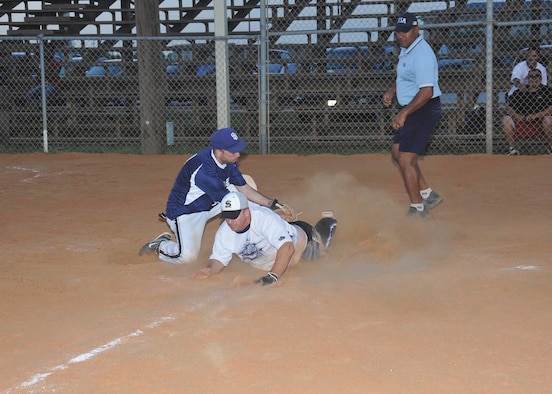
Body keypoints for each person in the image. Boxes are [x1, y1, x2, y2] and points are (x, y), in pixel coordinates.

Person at [139, 127, 285, 264]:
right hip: (187, 212)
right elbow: (232, 202)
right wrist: (272, 216)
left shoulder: (227, 160)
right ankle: (160, 245)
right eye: (233, 151)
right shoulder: (205, 172)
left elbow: (244, 188)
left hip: (211, 202)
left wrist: (272, 205)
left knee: (247, 183)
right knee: (187, 258)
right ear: (219, 151)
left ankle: (245, 240)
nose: (238, 155)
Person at [192, 191, 338, 285]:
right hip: (271, 259)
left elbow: (287, 248)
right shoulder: (225, 232)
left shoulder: (263, 218)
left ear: (247, 212)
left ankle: (326, 222)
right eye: (227, 217)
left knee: (323, 251)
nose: (230, 222)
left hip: (301, 246)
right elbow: (218, 259)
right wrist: (209, 270)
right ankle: (283, 221)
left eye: (234, 217)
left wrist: (272, 277)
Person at [382, 12, 443, 218]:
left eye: (405, 31)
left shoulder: (422, 55)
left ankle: (418, 209)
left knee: (406, 160)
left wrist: (403, 114)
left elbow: (426, 92)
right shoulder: (407, 49)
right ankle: (428, 194)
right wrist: (393, 91)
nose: (401, 35)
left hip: (423, 108)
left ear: (417, 30)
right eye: (398, 31)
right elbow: (407, 77)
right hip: (412, 106)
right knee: (397, 154)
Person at [502, 68, 552, 155]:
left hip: (540, 122)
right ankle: (513, 149)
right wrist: (519, 117)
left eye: (537, 76)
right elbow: (510, 110)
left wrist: (535, 116)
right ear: (527, 79)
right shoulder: (519, 92)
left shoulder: (547, 91)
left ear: (541, 79)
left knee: (548, 119)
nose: (534, 79)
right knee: (506, 119)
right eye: (531, 77)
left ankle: (550, 148)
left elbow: (550, 109)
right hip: (522, 122)